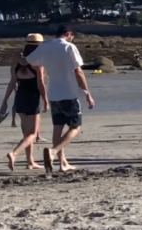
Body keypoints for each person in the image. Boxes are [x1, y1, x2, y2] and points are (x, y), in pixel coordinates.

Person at [30, 25, 95, 172]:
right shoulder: (68, 47)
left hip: (54, 93)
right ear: (69, 34)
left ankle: (62, 163)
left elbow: (31, 60)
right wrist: (87, 93)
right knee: (75, 127)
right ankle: (53, 152)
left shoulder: (45, 46)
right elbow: (78, 71)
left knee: (57, 128)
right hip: (69, 93)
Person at [0, 33, 49, 171]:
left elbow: (12, 82)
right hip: (32, 98)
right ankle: (14, 153)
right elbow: (41, 83)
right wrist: (45, 100)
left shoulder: (16, 60)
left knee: (26, 133)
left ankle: (30, 162)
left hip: (19, 97)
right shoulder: (38, 62)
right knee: (33, 133)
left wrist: (5, 101)